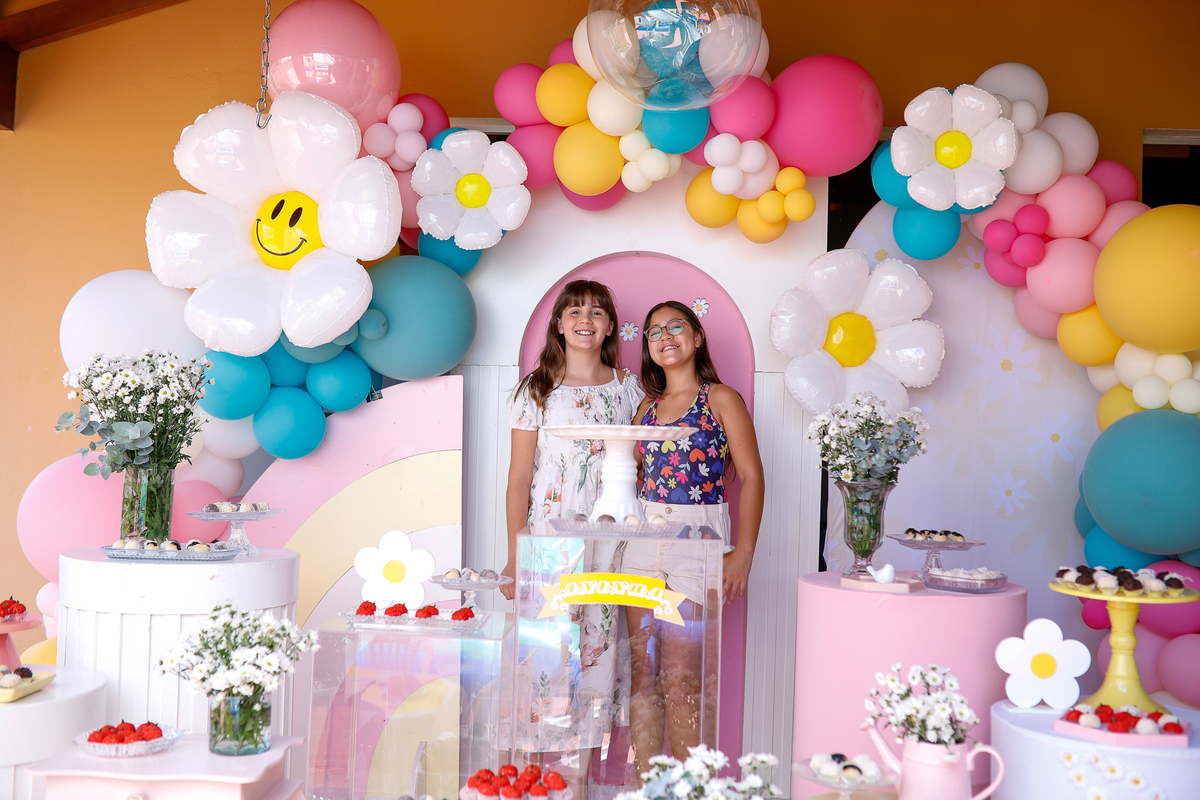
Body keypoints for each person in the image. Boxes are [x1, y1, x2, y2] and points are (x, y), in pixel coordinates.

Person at [503, 279, 644, 795]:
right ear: (559, 324)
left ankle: (579, 778)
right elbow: (520, 477)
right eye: (575, 311)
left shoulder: (628, 389)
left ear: (610, 327)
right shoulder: (536, 390)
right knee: (545, 653)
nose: (586, 320)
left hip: (610, 541)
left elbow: (641, 465)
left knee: (598, 653)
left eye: (597, 312)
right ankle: (535, 777)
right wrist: (515, 555)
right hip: (549, 539)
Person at [624, 300, 764, 777]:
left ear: (697, 337)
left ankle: (691, 789)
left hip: (698, 540)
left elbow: (752, 476)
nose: (665, 336)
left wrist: (742, 553)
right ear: (648, 345)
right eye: (654, 331)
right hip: (643, 541)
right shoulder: (645, 407)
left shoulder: (721, 399)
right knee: (643, 675)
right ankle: (647, 785)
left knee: (683, 681)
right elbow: (631, 473)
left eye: (675, 326)